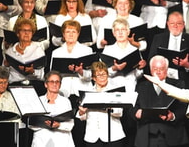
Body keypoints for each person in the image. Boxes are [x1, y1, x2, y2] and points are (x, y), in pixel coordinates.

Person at [101, 18, 147, 147]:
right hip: (114, 92)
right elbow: (103, 74)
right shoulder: (108, 50)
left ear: (128, 32)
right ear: (113, 33)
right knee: (116, 127)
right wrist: (115, 68)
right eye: (117, 30)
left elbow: (138, 76)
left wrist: (139, 68)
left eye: (123, 30)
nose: (120, 32)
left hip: (130, 92)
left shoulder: (134, 49)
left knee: (130, 128)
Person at [49, 19, 94, 147]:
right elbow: (52, 75)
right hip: (64, 94)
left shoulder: (87, 51)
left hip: (82, 94)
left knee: (80, 130)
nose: (70, 34)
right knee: (64, 130)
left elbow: (91, 76)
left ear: (78, 34)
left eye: (73, 32)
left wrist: (81, 72)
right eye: (68, 32)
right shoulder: (56, 52)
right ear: (63, 34)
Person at [132, 55, 189, 147]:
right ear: (150, 70)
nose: (158, 72)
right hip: (147, 136)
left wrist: (173, 116)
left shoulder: (178, 84)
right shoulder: (141, 86)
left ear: (167, 70)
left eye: (161, 69)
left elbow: (184, 107)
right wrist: (136, 113)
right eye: (155, 68)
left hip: (172, 135)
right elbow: (133, 108)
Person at [148, 10, 189, 90]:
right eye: (172, 23)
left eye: (179, 23)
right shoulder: (158, 38)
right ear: (167, 24)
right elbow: (151, 60)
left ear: (183, 24)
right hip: (162, 81)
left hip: (184, 82)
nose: (175, 26)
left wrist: (187, 65)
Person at [77, 61, 126, 147]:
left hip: (113, 136)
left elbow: (119, 112)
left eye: (104, 74)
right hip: (92, 138)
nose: (103, 78)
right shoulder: (88, 93)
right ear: (94, 78)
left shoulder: (114, 91)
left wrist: (106, 105)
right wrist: (82, 112)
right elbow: (82, 117)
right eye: (99, 75)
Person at [30, 70, 75, 147]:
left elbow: (71, 124)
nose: (54, 84)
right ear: (46, 84)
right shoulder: (38, 101)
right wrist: (45, 124)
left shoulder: (65, 101)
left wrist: (59, 125)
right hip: (41, 140)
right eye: (51, 81)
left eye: (57, 82)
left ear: (60, 85)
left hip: (62, 141)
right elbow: (31, 124)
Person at [3, 18, 46, 96]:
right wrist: (6, 66)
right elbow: (4, 73)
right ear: (18, 33)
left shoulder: (38, 50)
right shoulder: (10, 51)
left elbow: (41, 75)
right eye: (23, 30)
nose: (26, 33)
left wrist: (32, 71)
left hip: (33, 86)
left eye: (29, 31)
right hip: (14, 86)